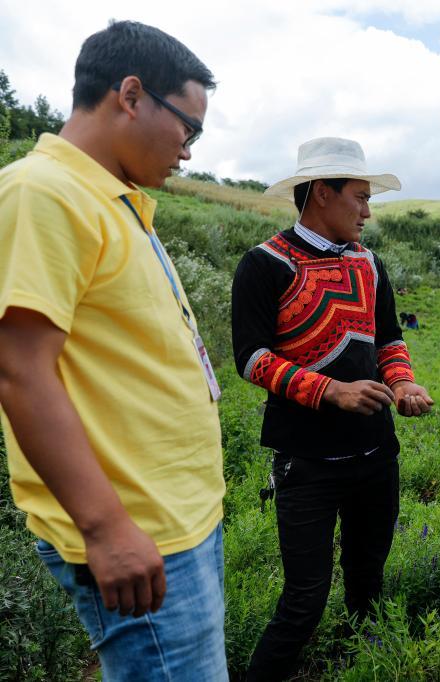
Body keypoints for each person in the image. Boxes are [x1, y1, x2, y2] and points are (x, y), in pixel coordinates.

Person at [0, 20, 227, 681]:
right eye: (190, 127)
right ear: (131, 95)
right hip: (137, 529)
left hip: (178, 518)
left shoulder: (116, 201)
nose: (188, 150)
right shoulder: (42, 193)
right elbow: (18, 370)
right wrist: (104, 529)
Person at [231, 137, 434, 681]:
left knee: (368, 583)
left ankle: (358, 669)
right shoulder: (264, 264)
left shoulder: (370, 264)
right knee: (304, 601)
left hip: (376, 455)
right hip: (306, 463)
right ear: (322, 192)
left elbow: (388, 339)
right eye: (360, 198)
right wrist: (332, 391)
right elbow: (250, 359)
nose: (367, 212)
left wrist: (405, 385)